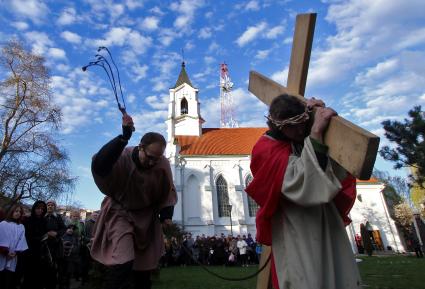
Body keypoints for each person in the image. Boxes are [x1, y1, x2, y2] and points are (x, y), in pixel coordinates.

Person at [246, 94, 360, 289]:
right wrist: (315, 133)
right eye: (293, 126)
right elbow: (300, 182)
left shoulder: (299, 135)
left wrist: (315, 115)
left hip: (325, 220)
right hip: (297, 226)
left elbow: (334, 167)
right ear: (279, 126)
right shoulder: (265, 149)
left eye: (303, 123)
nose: (300, 130)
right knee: (308, 278)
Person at [90, 113, 177, 289]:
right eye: (150, 157)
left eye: (157, 158)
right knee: (123, 261)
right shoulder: (123, 157)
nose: (153, 162)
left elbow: (168, 189)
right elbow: (100, 165)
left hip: (146, 218)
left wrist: (166, 215)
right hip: (120, 213)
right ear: (140, 147)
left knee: (143, 268)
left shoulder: (162, 164)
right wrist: (123, 138)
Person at [0, 204, 28, 289]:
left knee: (8, 279)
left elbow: (21, 240)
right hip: (2, 255)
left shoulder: (21, 226)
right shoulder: (3, 224)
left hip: (13, 256)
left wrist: (15, 252)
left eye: (20, 212)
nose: (18, 213)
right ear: (11, 211)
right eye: (16, 211)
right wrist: (5, 252)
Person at [22, 201, 47, 289]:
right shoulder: (27, 219)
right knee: (28, 275)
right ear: (34, 208)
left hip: (40, 252)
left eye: (42, 209)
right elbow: (25, 235)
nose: (40, 211)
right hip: (28, 251)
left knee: (38, 275)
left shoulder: (44, 221)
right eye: (38, 208)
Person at [45, 199, 66, 289]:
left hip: (56, 245)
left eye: (52, 205)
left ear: (54, 207)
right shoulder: (43, 217)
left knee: (53, 267)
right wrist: (46, 234)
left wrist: (56, 233)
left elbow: (63, 228)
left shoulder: (58, 217)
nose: (50, 206)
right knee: (44, 266)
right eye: (48, 205)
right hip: (44, 245)